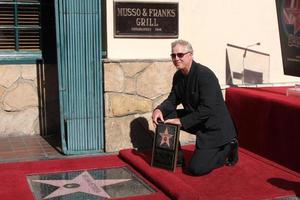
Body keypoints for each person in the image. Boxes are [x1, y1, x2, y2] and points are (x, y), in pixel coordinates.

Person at [152, 39, 238, 176]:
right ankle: (176, 158)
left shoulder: (205, 75)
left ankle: (228, 148)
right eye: (173, 55)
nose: (176, 58)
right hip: (198, 120)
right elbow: (172, 99)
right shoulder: (178, 76)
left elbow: (207, 109)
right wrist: (159, 109)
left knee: (196, 169)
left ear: (190, 55)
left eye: (180, 55)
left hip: (214, 127)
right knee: (166, 115)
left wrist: (181, 121)